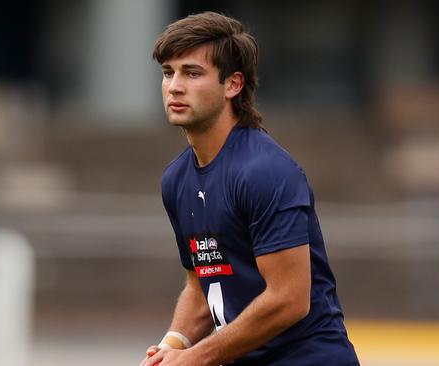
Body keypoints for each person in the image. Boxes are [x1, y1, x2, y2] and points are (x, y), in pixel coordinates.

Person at [142, 11, 360, 366]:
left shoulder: (265, 171)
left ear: (233, 85)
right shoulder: (176, 179)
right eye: (169, 73)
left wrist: (198, 356)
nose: (175, 86)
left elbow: (289, 298)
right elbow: (203, 284)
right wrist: (173, 345)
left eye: (192, 73)